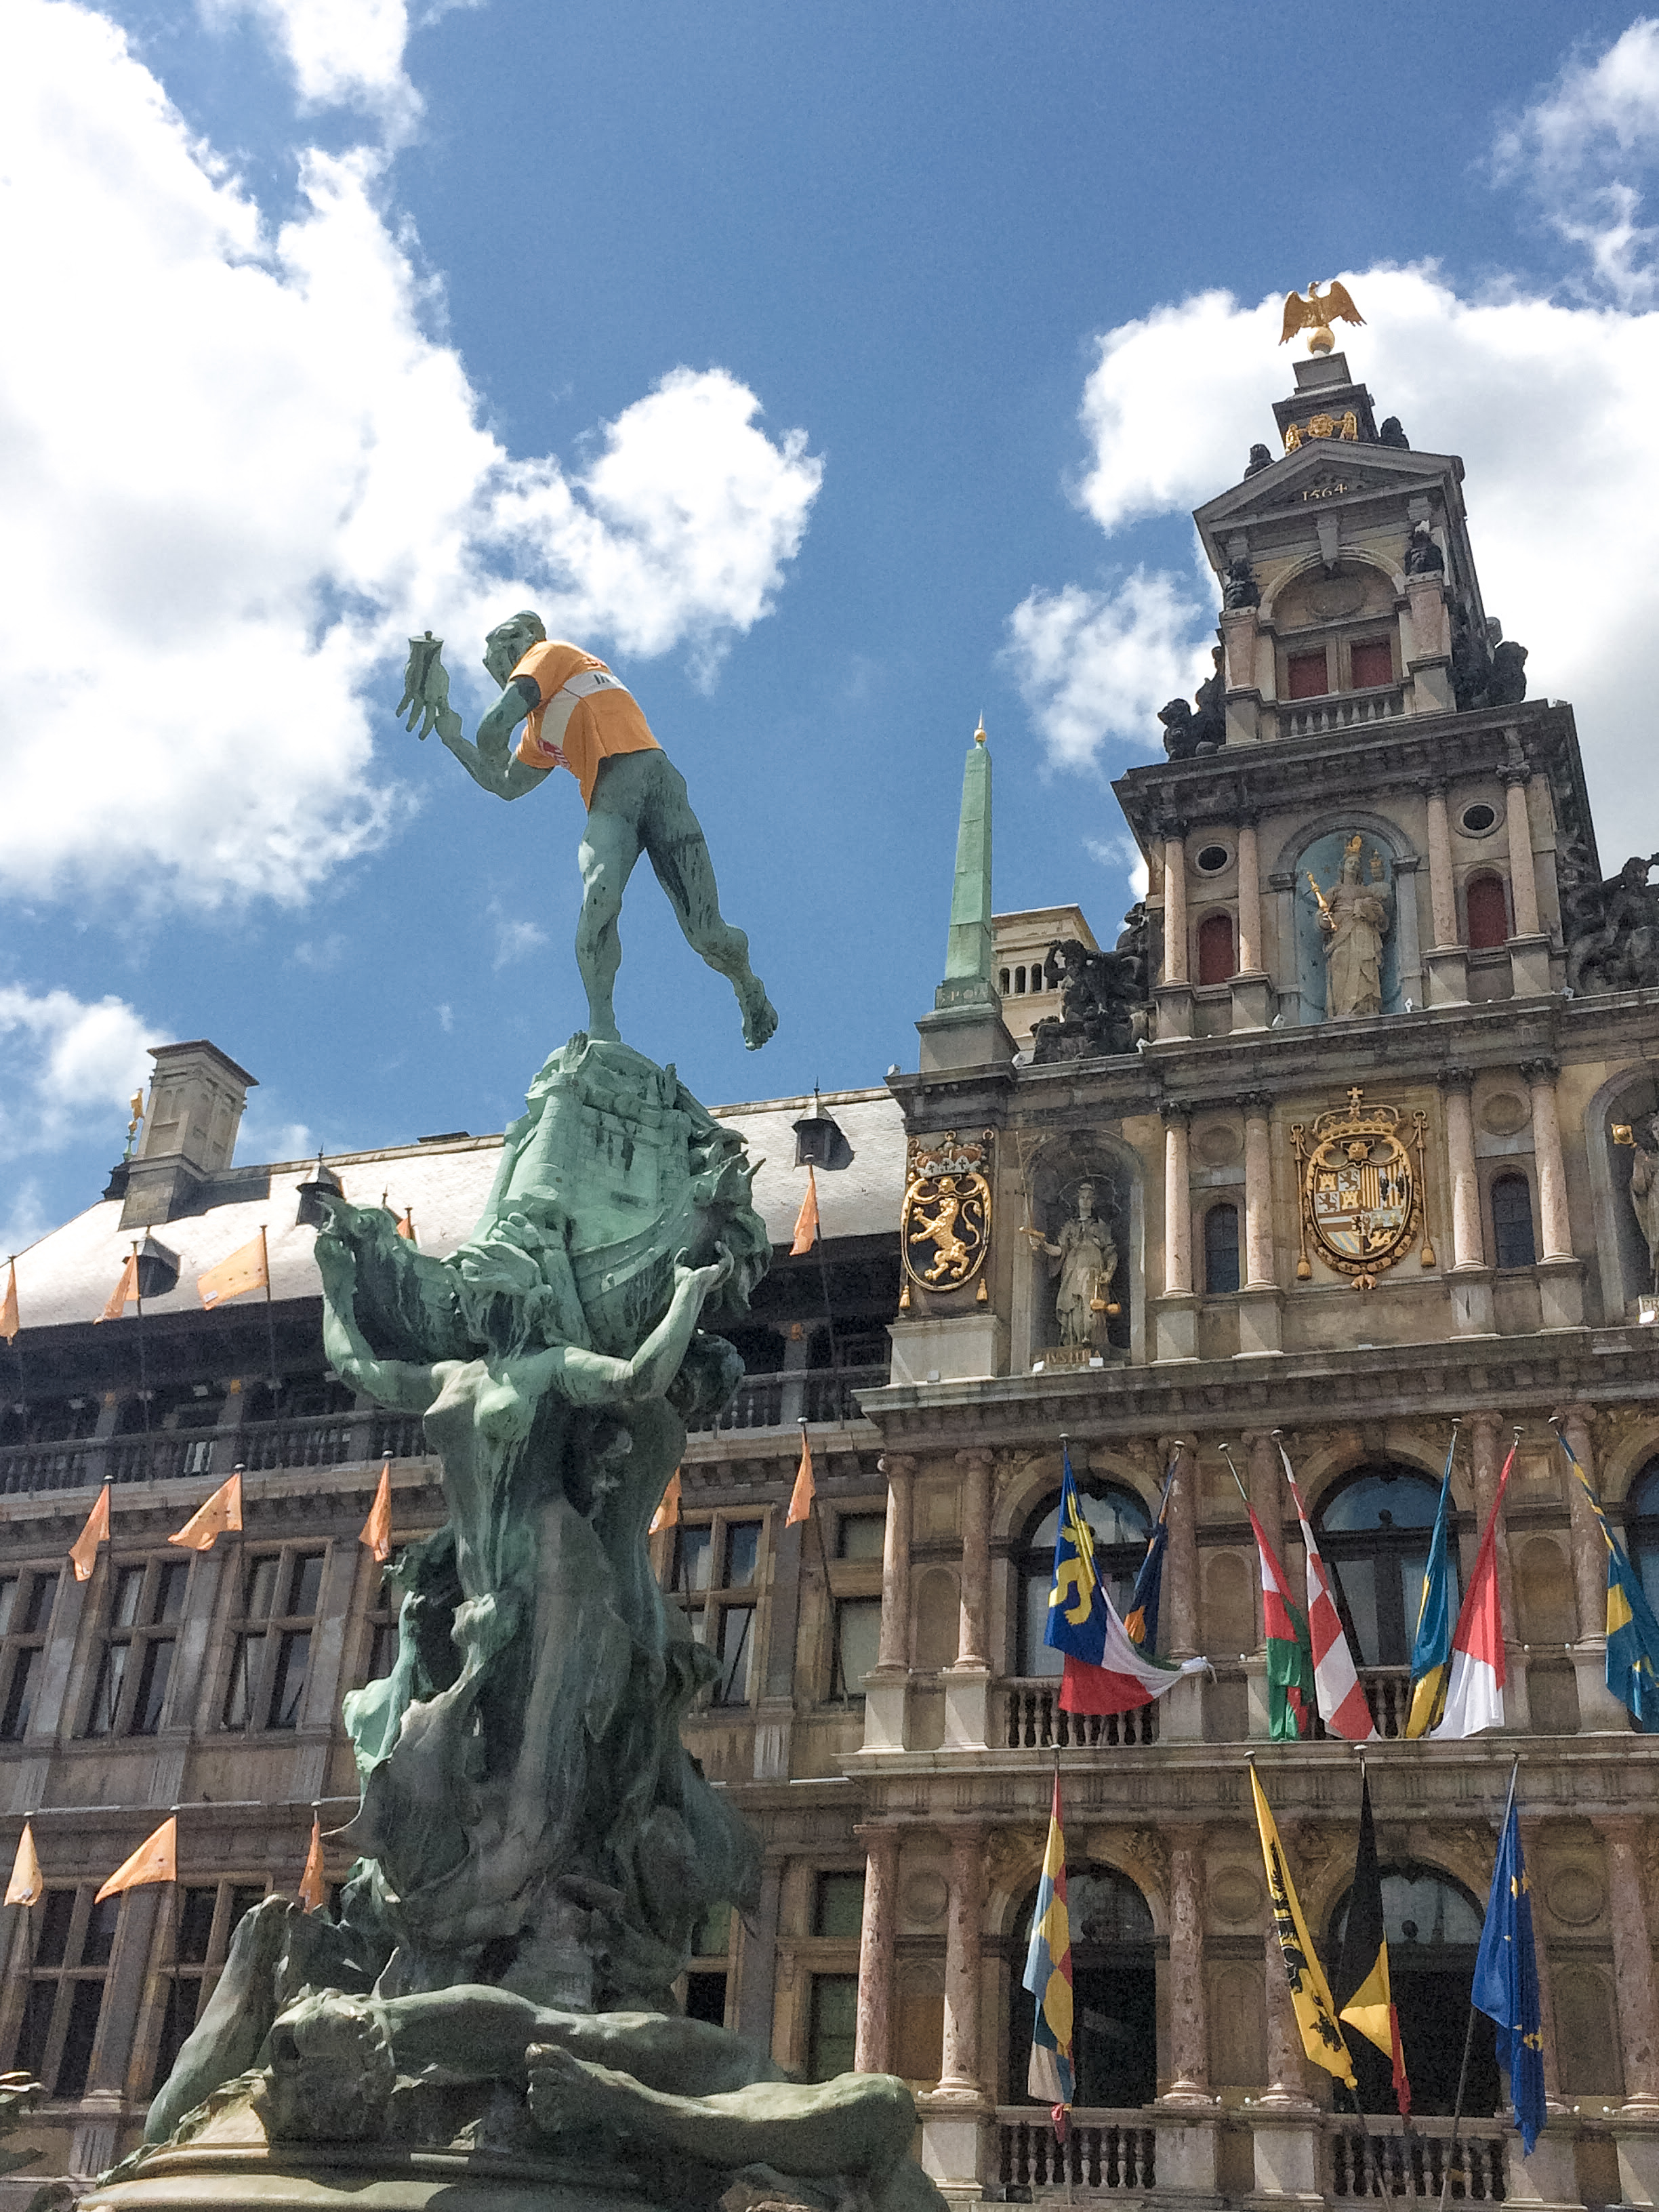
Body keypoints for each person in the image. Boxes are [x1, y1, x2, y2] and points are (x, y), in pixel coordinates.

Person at [401, 614, 777, 1051]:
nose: (502, 660)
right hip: (611, 802)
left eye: (507, 647)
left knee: (706, 934)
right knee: (598, 902)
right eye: (494, 658)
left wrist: (477, 734)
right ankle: (603, 1027)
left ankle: (747, 985)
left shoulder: (551, 654)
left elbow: (494, 726)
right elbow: (506, 784)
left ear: (529, 640)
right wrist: (451, 735)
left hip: (655, 784)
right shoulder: (538, 732)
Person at [1026, 1181, 1118, 1347]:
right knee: (1073, 1306)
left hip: (1093, 1272)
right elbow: (1059, 1251)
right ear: (1077, 1200)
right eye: (1082, 1197)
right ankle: (1074, 1343)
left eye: (1089, 1198)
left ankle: (1093, 1342)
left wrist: (1109, 1272)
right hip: (1072, 1271)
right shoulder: (1069, 1226)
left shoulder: (1100, 1227)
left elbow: (1110, 1252)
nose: (1085, 1201)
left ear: (1093, 1201)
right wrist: (1043, 1244)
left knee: (1092, 1306)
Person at [1311, 836, 1392, 1019]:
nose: (1354, 866)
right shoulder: (1335, 891)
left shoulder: (1367, 891)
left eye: (1357, 863)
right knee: (1341, 965)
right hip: (1342, 935)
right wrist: (1324, 920)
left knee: (1365, 966)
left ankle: (1365, 1008)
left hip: (1364, 933)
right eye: (1350, 863)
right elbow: (1321, 915)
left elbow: (1381, 919)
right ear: (1343, 867)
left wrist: (1369, 910)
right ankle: (1343, 1009)